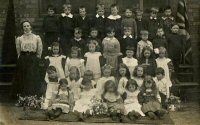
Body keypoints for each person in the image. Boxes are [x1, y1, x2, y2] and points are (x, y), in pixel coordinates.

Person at [12, 21, 43, 97]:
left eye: (28, 26)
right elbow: (18, 50)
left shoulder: (36, 37)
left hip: (33, 59)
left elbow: (39, 49)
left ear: (30, 27)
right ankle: (24, 95)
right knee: (23, 77)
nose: (26, 27)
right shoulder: (20, 38)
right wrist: (20, 58)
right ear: (22, 28)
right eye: (24, 26)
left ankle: (33, 95)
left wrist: (37, 58)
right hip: (23, 59)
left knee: (32, 76)